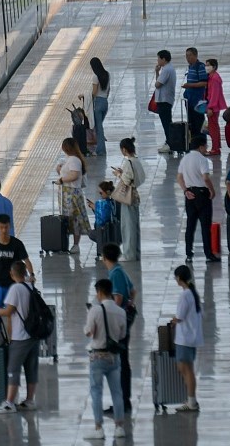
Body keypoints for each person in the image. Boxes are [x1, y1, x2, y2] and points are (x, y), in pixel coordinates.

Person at [0, 260, 39, 412]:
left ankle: (9, 403)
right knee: (31, 368)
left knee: (13, 368)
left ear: (12, 274)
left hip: (21, 336)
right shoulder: (30, 287)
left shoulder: (15, 289)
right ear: (25, 273)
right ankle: (30, 400)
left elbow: (8, 311)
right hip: (34, 334)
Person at [82, 278, 128, 439]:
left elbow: (89, 332)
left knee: (96, 392)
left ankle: (98, 428)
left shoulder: (94, 310)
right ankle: (119, 427)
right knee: (117, 392)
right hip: (114, 357)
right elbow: (122, 335)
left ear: (99, 292)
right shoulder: (120, 311)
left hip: (97, 356)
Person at [102, 245, 135, 414]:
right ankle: (125, 400)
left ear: (104, 257)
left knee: (119, 363)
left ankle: (121, 402)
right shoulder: (120, 270)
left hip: (118, 325)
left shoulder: (115, 274)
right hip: (125, 322)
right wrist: (129, 305)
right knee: (124, 361)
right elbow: (132, 291)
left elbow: (118, 297)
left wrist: (110, 314)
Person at [176, 135, 217, 263]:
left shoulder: (185, 158)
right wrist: (212, 189)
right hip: (202, 194)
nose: (207, 148)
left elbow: (179, 177)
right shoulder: (202, 159)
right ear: (200, 147)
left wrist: (185, 191)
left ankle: (189, 254)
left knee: (190, 225)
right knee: (205, 226)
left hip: (190, 195)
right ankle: (208, 254)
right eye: (206, 146)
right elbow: (205, 178)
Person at [0, 214, 34, 308]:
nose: (4, 230)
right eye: (1, 227)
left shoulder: (17, 244)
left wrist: (32, 275)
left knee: (11, 312)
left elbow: (26, 260)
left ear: (10, 226)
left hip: (12, 285)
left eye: (6, 227)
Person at [172, 264, 203, 412]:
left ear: (179, 278)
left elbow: (180, 316)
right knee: (186, 368)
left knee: (186, 369)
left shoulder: (185, 295)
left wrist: (174, 319)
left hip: (184, 338)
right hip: (191, 336)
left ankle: (191, 401)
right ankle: (191, 399)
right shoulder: (192, 293)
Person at [56, 138, 91, 254]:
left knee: (74, 219)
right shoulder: (70, 159)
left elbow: (74, 175)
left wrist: (61, 180)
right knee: (68, 219)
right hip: (67, 194)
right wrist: (60, 170)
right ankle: (68, 243)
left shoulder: (74, 160)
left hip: (71, 194)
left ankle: (76, 245)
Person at [113, 138, 144, 261]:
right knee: (135, 225)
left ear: (124, 149)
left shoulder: (128, 162)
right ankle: (135, 252)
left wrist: (118, 174)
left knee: (128, 226)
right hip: (135, 195)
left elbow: (126, 180)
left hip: (128, 197)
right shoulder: (136, 161)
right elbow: (140, 177)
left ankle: (128, 253)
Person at [181, 48, 208, 138]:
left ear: (195, 55)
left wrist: (190, 85)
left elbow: (204, 82)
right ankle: (193, 141)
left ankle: (201, 141)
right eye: (186, 56)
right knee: (191, 122)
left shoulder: (200, 66)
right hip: (190, 100)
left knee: (199, 122)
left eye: (190, 55)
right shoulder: (190, 67)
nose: (188, 58)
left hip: (198, 101)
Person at [203, 59, 228, 155]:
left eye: (208, 65)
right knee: (213, 127)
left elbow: (214, 94)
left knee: (213, 127)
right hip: (212, 106)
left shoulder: (214, 78)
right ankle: (216, 146)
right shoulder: (211, 77)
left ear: (214, 67)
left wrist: (210, 107)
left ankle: (215, 148)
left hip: (213, 107)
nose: (206, 67)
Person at [155, 50, 177, 154]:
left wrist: (158, 74)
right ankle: (169, 142)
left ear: (164, 59)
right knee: (167, 122)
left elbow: (157, 84)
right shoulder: (167, 69)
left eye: (158, 58)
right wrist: (157, 72)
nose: (158, 60)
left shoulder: (167, 70)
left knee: (166, 123)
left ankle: (170, 143)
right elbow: (158, 82)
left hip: (164, 100)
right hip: (165, 99)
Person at [90, 57, 111, 156]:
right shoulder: (107, 74)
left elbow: (94, 92)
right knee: (99, 126)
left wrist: (87, 98)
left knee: (99, 128)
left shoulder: (95, 77)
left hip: (98, 102)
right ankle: (100, 148)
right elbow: (109, 90)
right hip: (105, 102)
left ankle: (100, 150)